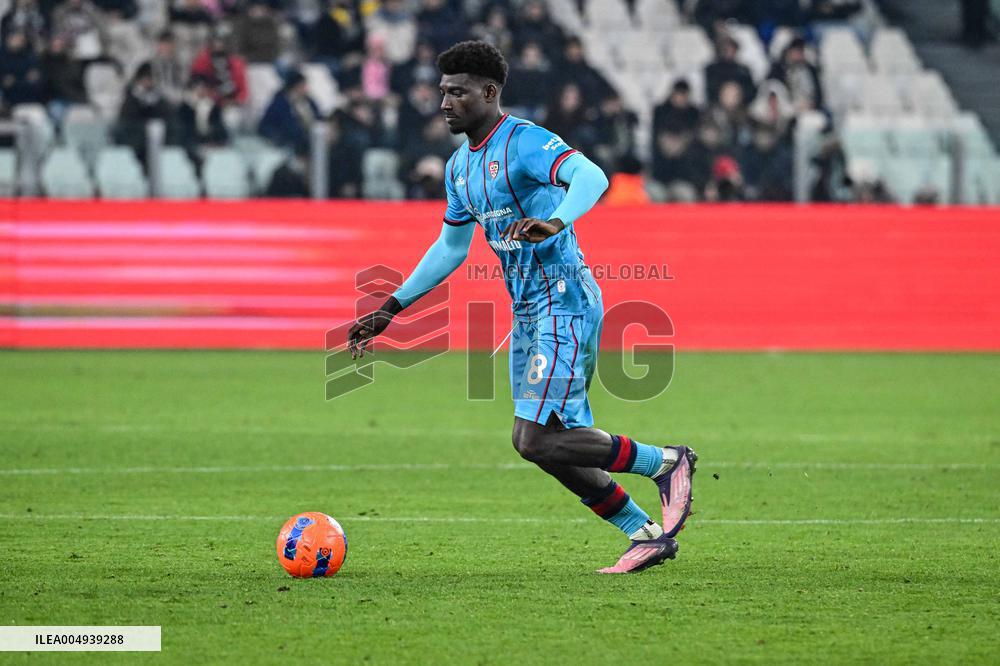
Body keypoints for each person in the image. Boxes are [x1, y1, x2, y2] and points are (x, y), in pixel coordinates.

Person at [347, 40, 697, 574]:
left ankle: (666, 463)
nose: (445, 102)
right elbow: (450, 248)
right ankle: (645, 533)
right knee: (537, 444)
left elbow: (593, 177)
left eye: (458, 92)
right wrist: (392, 306)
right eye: (442, 91)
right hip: (528, 316)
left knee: (539, 437)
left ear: (489, 93)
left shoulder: (526, 142)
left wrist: (555, 221)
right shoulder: (460, 169)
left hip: (566, 302)